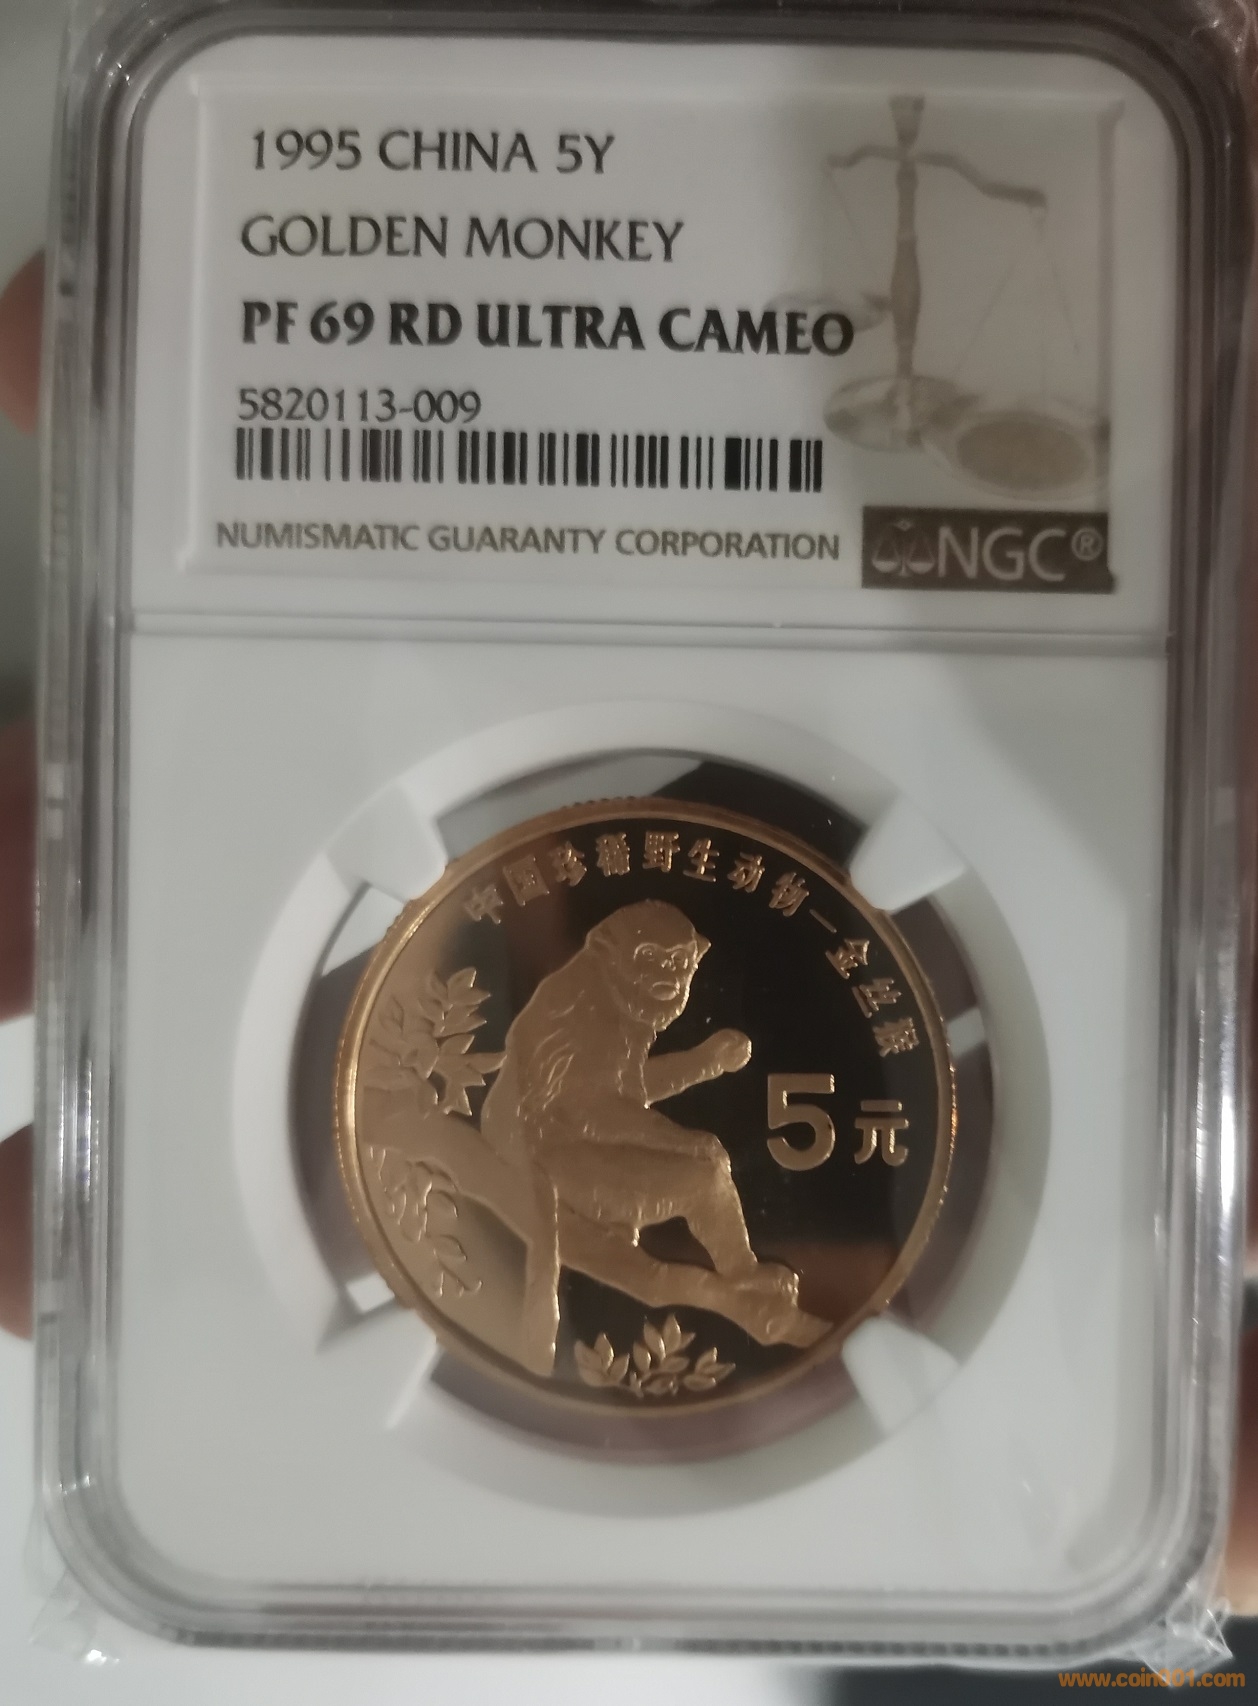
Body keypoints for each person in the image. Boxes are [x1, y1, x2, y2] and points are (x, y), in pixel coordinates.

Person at [1, 249, 1256, 1609]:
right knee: (701, 1166)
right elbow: (557, 1118)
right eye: (654, 964)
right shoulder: (568, 1009)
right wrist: (677, 1089)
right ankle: (737, 1281)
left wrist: (692, 1070)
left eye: (681, 967)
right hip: (550, 1168)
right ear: (608, 956)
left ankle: (739, 1282)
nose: (668, 980)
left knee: (704, 1183)